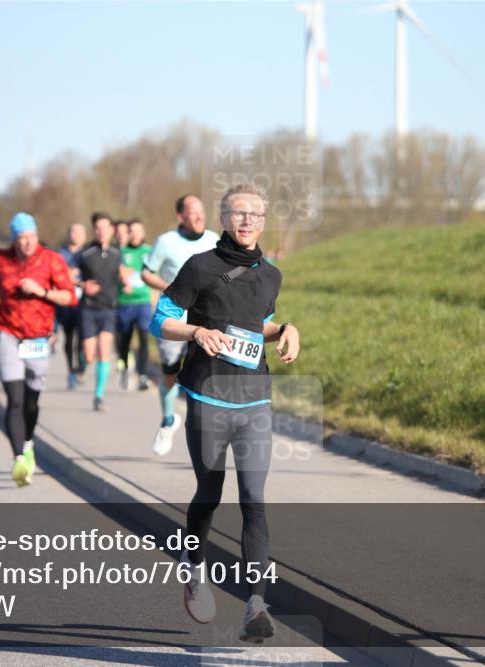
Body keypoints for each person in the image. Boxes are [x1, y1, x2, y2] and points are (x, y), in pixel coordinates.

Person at [150, 182, 300, 643]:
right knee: (209, 494)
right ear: (224, 219)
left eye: (256, 214)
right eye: (239, 214)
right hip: (209, 398)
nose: (248, 221)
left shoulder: (271, 274)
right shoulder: (200, 267)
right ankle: (194, 568)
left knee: (253, 498)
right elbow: (161, 317)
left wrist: (287, 330)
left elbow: (257, 324)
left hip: (254, 401)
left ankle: (256, 603)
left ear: (264, 220)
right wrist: (195, 332)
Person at [0, 213, 76, 486]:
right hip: (7, 333)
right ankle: (19, 458)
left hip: (37, 338)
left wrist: (41, 292)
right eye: (21, 238)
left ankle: (28, 442)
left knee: (32, 402)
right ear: (13, 239)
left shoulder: (51, 259)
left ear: (36, 235)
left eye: (30, 237)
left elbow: (69, 296)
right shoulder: (0, 259)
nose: (26, 243)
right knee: (15, 399)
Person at [141, 194, 219, 455]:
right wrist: (172, 289)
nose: (199, 216)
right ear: (181, 217)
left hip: (206, 321)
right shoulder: (166, 242)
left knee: (206, 370)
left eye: (201, 211)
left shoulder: (213, 240)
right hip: (174, 320)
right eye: (193, 212)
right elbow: (146, 272)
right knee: (170, 372)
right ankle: (168, 420)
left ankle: (208, 427)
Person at [77, 212, 123, 411]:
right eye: (98, 228)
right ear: (94, 230)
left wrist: (125, 281)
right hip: (88, 308)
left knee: (104, 352)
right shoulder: (85, 253)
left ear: (112, 230)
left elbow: (120, 273)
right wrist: (82, 284)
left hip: (108, 309)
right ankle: (82, 365)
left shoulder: (117, 253)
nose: (102, 231)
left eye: (106, 227)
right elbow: (68, 276)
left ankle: (98, 396)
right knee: (89, 355)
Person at [116, 218, 153, 391]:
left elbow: (155, 274)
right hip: (125, 302)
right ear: (127, 233)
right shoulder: (120, 252)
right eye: (132, 231)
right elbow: (113, 273)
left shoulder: (150, 251)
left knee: (144, 338)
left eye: (139, 230)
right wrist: (121, 276)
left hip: (143, 301)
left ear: (143, 232)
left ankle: (143, 375)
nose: (136, 234)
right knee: (125, 340)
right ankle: (124, 367)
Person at [57, 223, 87, 389]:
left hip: (84, 301)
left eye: (79, 232)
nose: (75, 235)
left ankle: (81, 366)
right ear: (68, 234)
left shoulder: (88, 252)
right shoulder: (60, 253)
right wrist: (67, 273)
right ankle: (71, 371)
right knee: (68, 337)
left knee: (83, 338)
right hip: (66, 300)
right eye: (73, 231)